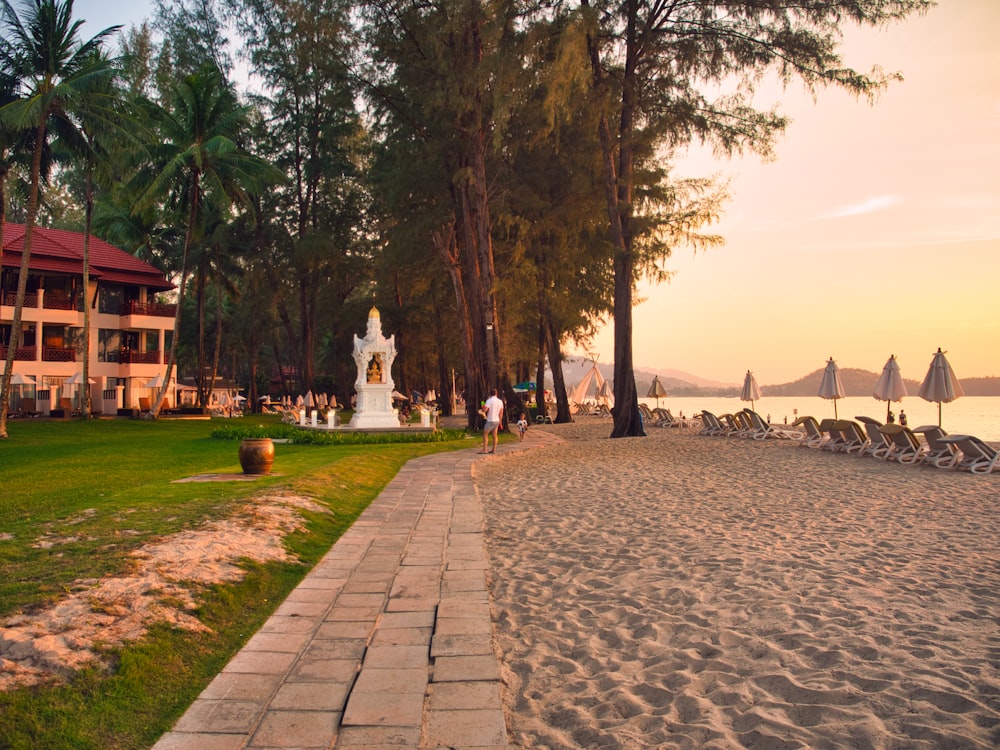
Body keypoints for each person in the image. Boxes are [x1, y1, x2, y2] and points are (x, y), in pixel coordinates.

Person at [481, 388, 504, 454]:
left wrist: (482, 404)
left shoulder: (489, 400)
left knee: (485, 434)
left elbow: (484, 410)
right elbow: (501, 412)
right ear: (496, 393)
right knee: (494, 435)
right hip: (496, 420)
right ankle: (494, 449)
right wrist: (500, 421)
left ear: (490, 394)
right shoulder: (500, 401)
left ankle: (485, 449)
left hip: (490, 420)